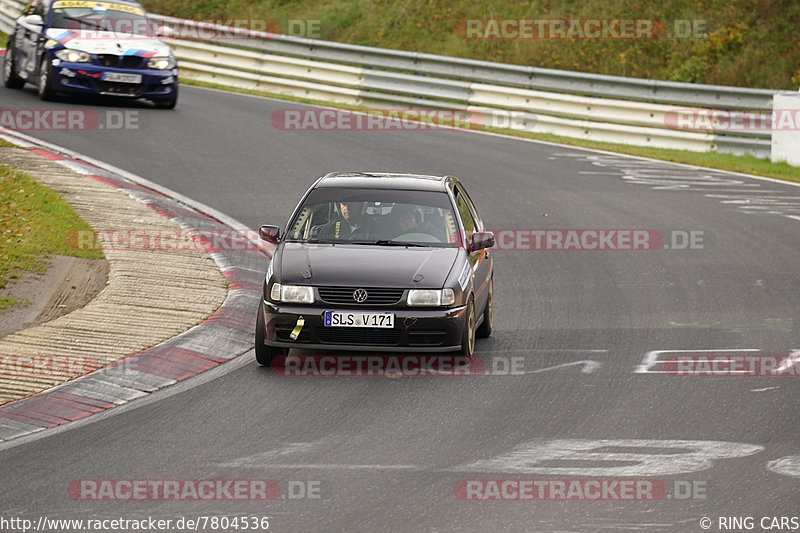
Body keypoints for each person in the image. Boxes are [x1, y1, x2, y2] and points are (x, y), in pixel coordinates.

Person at [310, 201, 375, 240]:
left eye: (352, 204)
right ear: (339, 208)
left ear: (362, 207)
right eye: (344, 204)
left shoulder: (376, 228)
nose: (347, 208)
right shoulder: (329, 229)